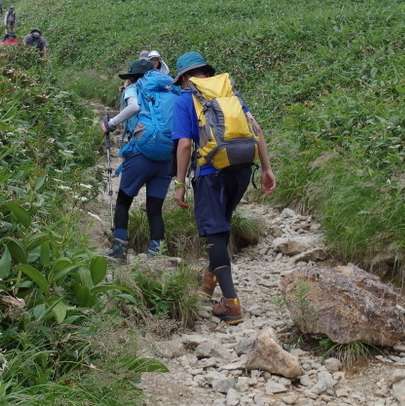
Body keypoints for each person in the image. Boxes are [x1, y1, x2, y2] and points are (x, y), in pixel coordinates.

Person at [172, 51, 275, 325]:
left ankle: (230, 303)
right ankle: (208, 282)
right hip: (241, 169)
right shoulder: (231, 95)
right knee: (222, 222)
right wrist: (266, 168)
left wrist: (180, 184)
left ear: (183, 77)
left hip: (210, 173)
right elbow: (257, 129)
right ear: (207, 72)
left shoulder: (185, 100)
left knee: (213, 231)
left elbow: (184, 145)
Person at [101, 59, 172, 260]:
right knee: (155, 207)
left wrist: (112, 124)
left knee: (124, 200)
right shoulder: (168, 92)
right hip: (167, 156)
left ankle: (120, 249)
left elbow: (133, 108)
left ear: (133, 78)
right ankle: (156, 252)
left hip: (141, 153)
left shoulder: (133, 88)